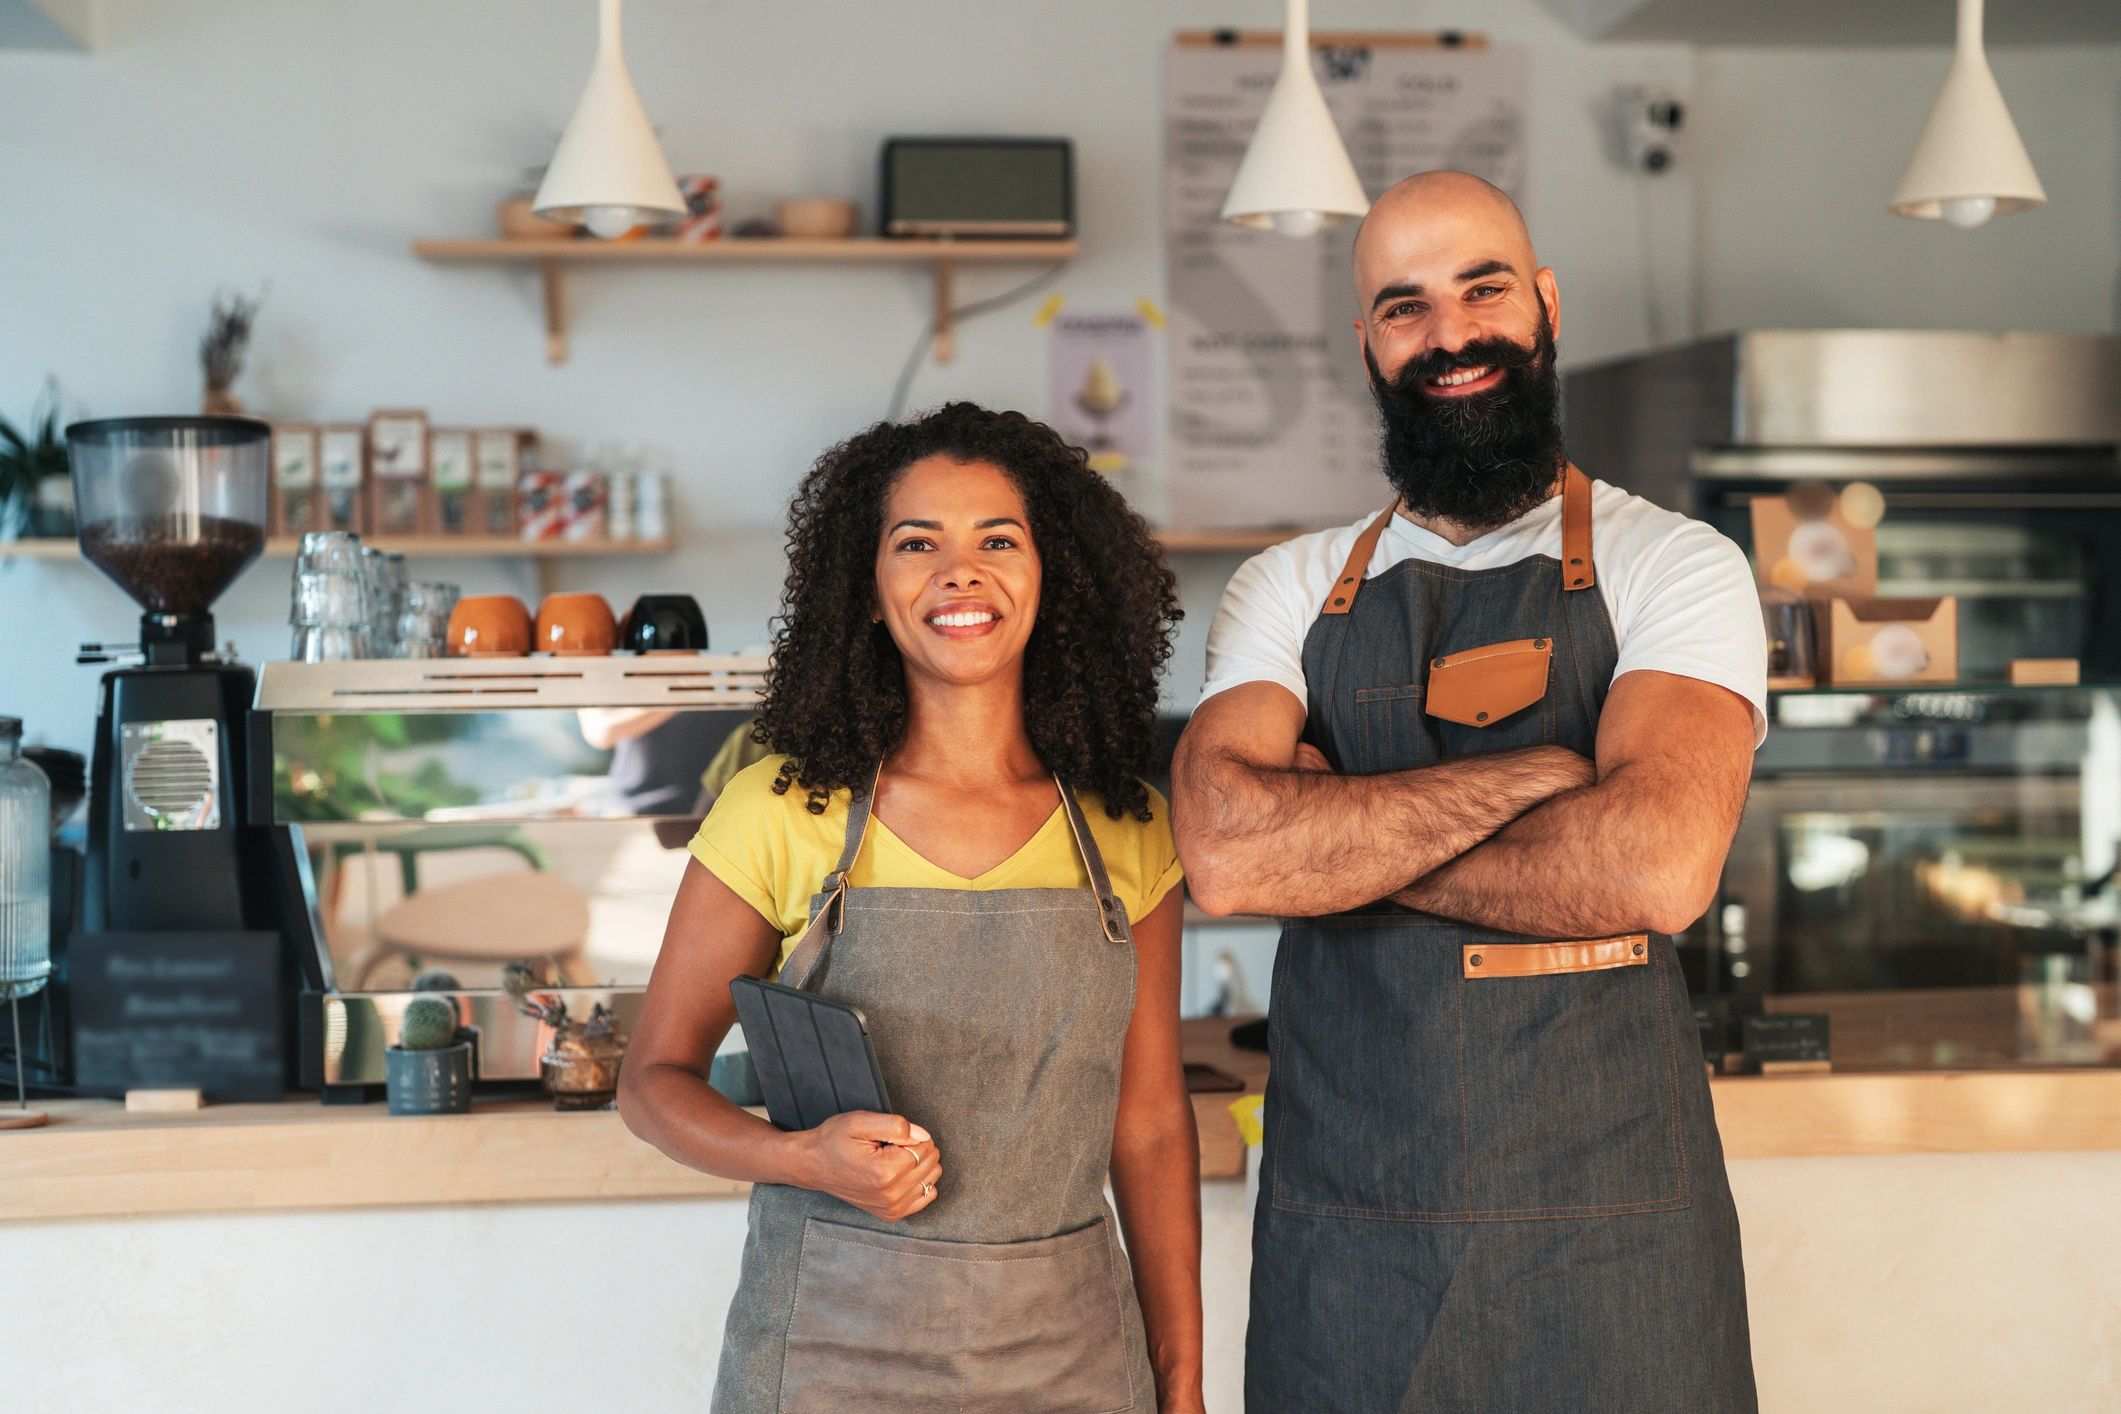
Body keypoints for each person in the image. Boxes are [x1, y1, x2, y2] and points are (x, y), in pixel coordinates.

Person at [1171, 171, 1763, 1411]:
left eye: (1482, 289)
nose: (1451, 335)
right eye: (1405, 307)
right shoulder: (1284, 585)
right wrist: (1542, 782)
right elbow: (1227, 853)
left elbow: (1655, 867)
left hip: (1615, 1249)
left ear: (1543, 302)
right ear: (1368, 345)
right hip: (1352, 1247)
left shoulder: (1678, 565)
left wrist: (1345, 846)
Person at [620, 402, 1206, 1414]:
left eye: (998, 540)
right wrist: (799, 1156)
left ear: (1052, 573)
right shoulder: (784, 809)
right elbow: (651, 1082)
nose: (960, 570)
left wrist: (1183, 1384)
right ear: (869, 586)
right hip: (827, 1349)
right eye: (917, 541)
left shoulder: (1127, 824)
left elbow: (1150, 1124)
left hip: (1068, 1350)